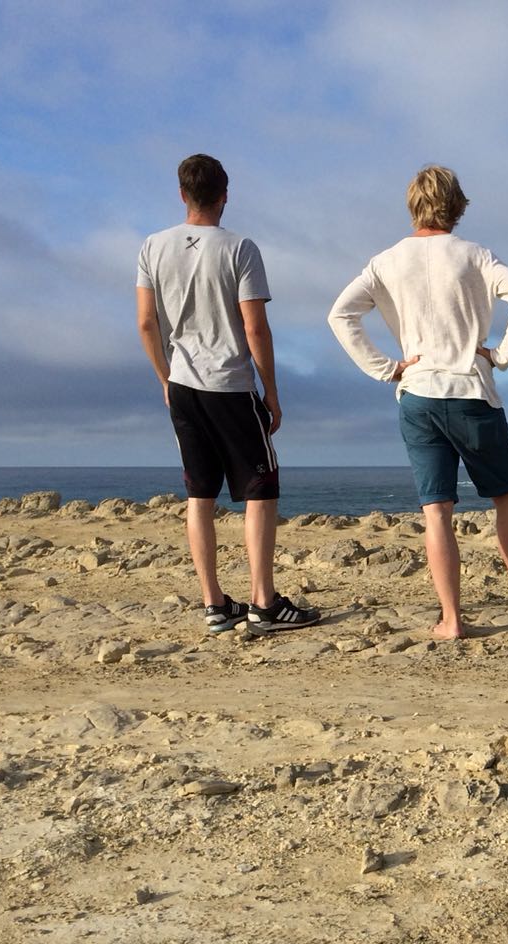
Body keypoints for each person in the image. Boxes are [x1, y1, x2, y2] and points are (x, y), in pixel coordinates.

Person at [327, 164, 508, 640]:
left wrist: (387, 367)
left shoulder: (387, 261)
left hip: (417, 395)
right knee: (506, 500)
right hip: (470, 391)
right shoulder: (475, 256)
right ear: (456, 206)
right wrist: (501, 355)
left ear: (412, 205)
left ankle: (452, 619)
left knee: (437, 511)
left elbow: (341, 314)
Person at [136, 153, 319, 633]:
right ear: (225, 195)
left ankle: (215, 604)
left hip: (183, 384)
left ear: (182, 194)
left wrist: (164, 377)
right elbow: (255, 328)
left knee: (200, 493)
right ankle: (263, 602)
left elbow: (146, 321)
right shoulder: (240, 249)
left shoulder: (152, 246)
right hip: (230, 384)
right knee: (261, 490)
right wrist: (272, 392)